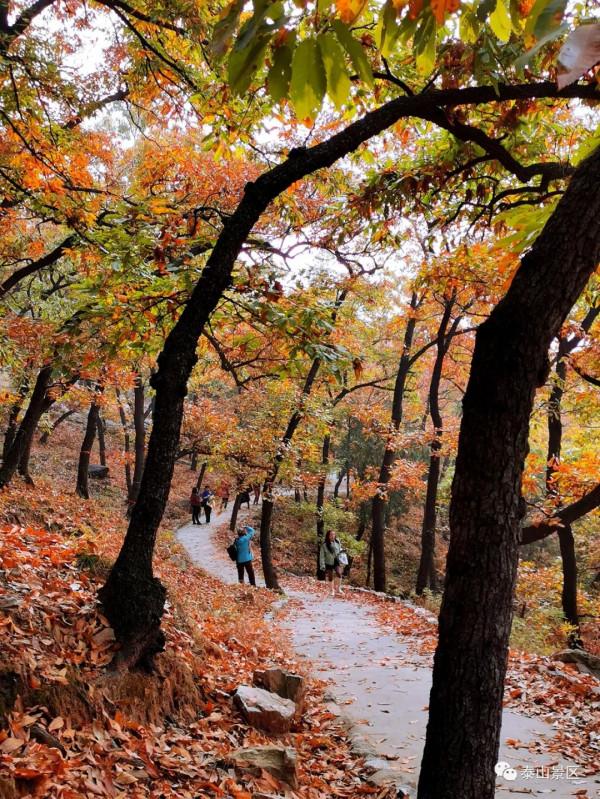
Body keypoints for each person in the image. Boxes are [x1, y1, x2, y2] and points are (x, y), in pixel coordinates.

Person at [319, 529, 344, 597]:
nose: (333, 536)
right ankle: (332, 590)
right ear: (328, 536)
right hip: (328, 562)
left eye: (334, 534)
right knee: (330, 577)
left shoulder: (337, 542)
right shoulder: (324, 545)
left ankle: (338, 588)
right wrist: (322, 565)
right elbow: (322, 556)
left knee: (339, 573)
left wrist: (342, 554)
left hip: (336, 561)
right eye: (331, 535)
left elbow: (339, 550)